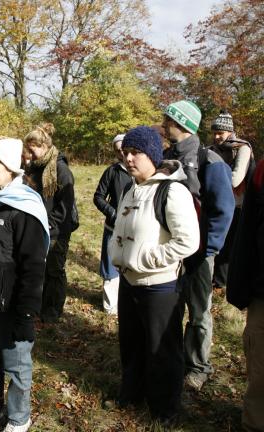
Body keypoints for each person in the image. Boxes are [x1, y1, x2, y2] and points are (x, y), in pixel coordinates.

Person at [109, 126, 200, 425]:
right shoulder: (128, 188)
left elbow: (188, 241)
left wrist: (147, 258)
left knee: (162, 349)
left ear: (152, 154)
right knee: (131, 342)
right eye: (126, 153)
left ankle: (165, 409)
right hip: (128, 281)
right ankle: (132, 393)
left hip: (159, 286)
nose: (129, 158)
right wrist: (117, 253)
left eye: (136, 152)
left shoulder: (172, 191)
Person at [0, 138, 49, 432]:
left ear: (12, 168)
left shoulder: (26, 210)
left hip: (13, 307)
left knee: (17, 367)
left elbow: (33, 269)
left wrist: (27, 313)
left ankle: (18, 418)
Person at [162, 100, 235, 391]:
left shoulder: (210, 162)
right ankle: (173, 358)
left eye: (167, 119)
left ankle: (198, 367)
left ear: (180, 124)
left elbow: (223, 210)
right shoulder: (166, 156)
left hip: (200, 254)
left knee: (199, 312)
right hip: (169, 251)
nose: (163, 123)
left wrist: (207, 250)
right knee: (170, 308)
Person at [24, 123, 78, 323]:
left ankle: (53, 310)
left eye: (33, 149)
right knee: (39, 269)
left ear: (45, 145)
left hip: (57, 231)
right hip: (36, 228)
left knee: (54, 270)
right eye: (28, 150)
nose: (30, 154)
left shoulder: (61, 170)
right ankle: (39, 306)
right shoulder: (32, 170)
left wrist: (49, 226)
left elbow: (64, 207)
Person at [227, 159, 264, 432]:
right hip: (263, 294)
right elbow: (248, 229)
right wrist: (239, 287)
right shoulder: (262, 170)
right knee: (260, 373)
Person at [209, 110, 254, 291]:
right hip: (214, 201)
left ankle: (223, 283)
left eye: (220, 133)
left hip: (238, 203)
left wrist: (213, 179)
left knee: (230, 245)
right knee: (216, 242)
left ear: (230, 132)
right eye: (214, 133)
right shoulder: (212, 150)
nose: (217, 136)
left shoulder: (242, 148)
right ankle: (216, 281)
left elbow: (236, 178)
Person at [93, 134, 132, 315]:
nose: (122, 153)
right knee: (110, 266)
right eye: (118, 151)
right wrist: (112, 213)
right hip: (113, 227)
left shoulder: (142, 170)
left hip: (134, 229)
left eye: (124, 148)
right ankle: (110, 308)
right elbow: (98, 197)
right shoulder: (112, 171)